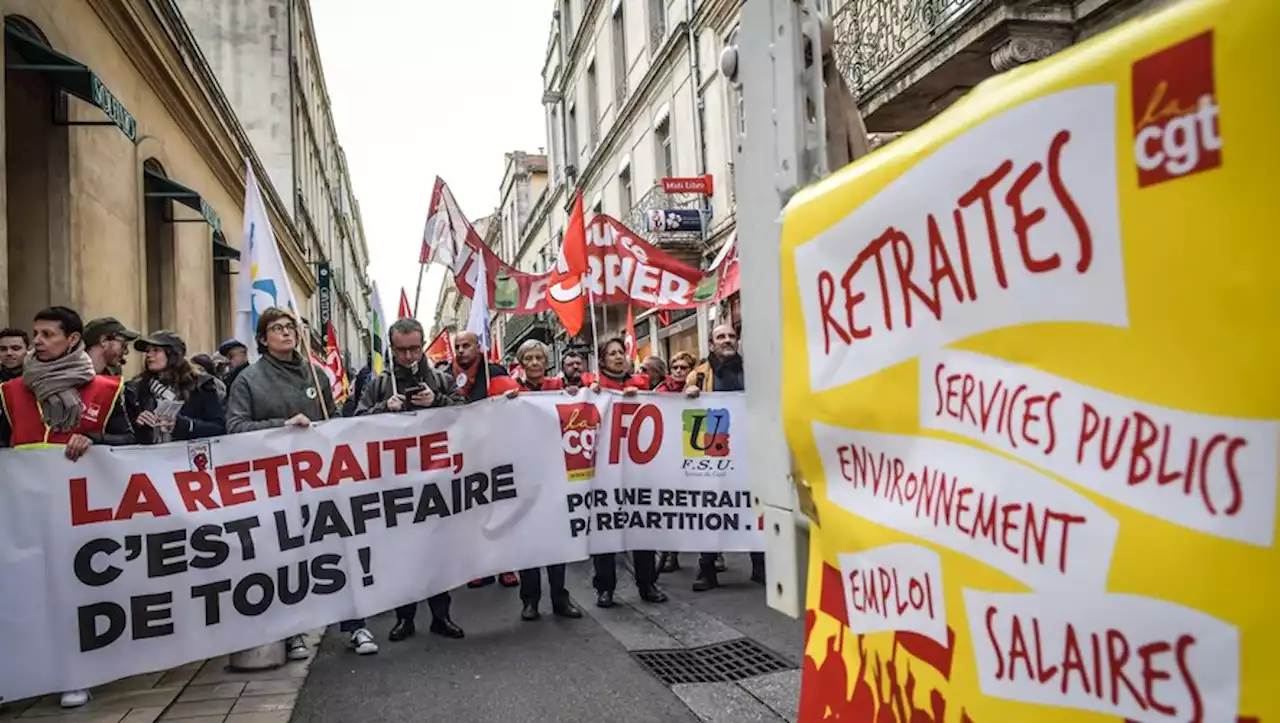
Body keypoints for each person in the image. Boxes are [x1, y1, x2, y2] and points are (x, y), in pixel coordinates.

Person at [0, 306, 134, 708]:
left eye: (47, 334)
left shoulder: (107, 389)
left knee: (75, 595)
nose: (37, 341)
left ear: (72, 340)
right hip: (25, 512)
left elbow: (132, 443)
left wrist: (96, 441)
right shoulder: (10, 392)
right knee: (26, 593)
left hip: (80, 514)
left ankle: (77, 674)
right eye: (35, 334)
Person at [225, 307, 338, 660]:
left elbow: (334, 421)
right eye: (277, 328)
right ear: (262, 338)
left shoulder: (316, 375)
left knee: (331, 549)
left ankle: (353, 623)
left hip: (315, 479)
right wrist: (282, 425)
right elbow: (235, 427)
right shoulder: (248, 380)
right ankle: (292, 633)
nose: (287, 333)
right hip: (272, 483)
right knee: (286, 557)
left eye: (291, 327)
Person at [353, 318, 467, 646]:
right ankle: (405, 617)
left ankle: (441, 614)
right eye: (401, 350)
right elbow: (355, 423)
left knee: (438, 550)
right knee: (403, 550)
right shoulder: (378, 384)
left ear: (423, 345)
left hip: (437, 479)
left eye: (414, 348)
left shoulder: (443, 380)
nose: (408, 356)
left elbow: (468, 416)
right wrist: (381, 409)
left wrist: (438, 402)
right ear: (391, 349)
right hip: (396, 481)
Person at [502, 339, 585, 622]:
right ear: (521, 363)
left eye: (539, 357)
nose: (535, 362)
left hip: (555, 473)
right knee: (529, 540)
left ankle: (560, 597)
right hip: (524, 475)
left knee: (557, 539)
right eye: (530, 358)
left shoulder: (558, 389)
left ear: (546, 361)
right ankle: (530, 600)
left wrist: (585, 394)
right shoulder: (513, 392)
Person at [587, 337, 668, 608]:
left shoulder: (643, 385)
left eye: (621, 352)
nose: (618, 357)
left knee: (641, 526)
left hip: (638, 470)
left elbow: (671, 398)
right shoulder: (593, 389)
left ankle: (647, 583)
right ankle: (605, 587)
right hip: (605, 471)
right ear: (602, 360)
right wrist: (593, 394)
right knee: (605, 529)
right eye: (611, 353)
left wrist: (690, 390)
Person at [686, 324, 763, 591]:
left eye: (731, 336)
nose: (727, 340)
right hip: (714, 449)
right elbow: (685, 409)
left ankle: (760, 565)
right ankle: (706, 568)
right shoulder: (697, 375)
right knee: (712, 508)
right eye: (721, 337)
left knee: (754, 505)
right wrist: (690, 397)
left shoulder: (752, 370)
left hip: (750, 448)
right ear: (711, 343)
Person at [452, 330, 522, 588]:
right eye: (457, 346)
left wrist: (514, 398)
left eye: (466, 345)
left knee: (501, 510)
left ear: (478, 347)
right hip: (466, 454)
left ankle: (505, 566)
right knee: (474, 513)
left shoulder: (496, 372)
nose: (461, 351)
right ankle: (479, 567)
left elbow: (518, 407)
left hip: (497, 451)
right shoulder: (448, 377)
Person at [128, 331, 226, 444]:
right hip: (150, 457)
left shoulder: (201, 385)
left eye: (156, 350)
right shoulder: (136, 388)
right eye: (148, 351)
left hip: (187, 456)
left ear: (173, 354)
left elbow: (218, 428)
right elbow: (125, 431)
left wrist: (183, 425)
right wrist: (138, 423)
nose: (149, 355)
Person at [656, 351, 698, 573]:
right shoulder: (662, 390)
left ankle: (714, 553)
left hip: (696, 451)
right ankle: (671, 553)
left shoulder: (703, 386)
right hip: (671, 453)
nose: (680, 371)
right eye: (676, 368)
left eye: (684, 367)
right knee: (672, 505)